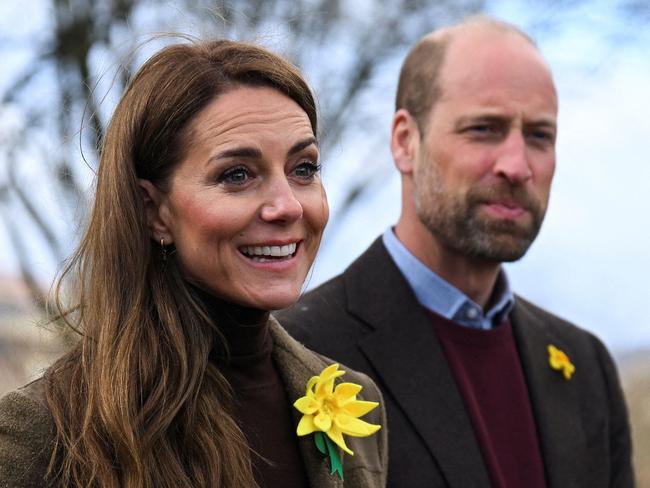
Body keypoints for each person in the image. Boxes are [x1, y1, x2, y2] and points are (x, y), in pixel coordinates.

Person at [0, 40, 387, 488]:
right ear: (153, 210)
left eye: (304, 168)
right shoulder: (42, 435)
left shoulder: (358, 404)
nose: (288, 206)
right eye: (237, 175)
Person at [277, 16, 634, 488]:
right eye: (484, 128)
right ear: (405, 142)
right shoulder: (298, 353)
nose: (517, 165)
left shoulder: (586, 365)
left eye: (539, 136)